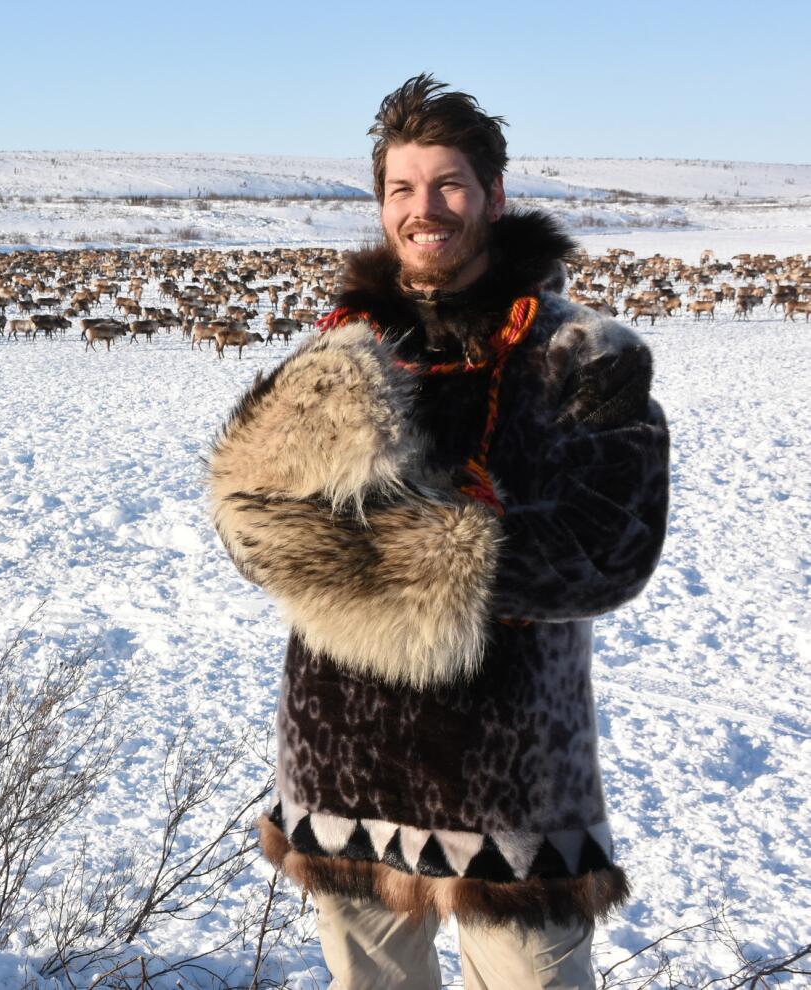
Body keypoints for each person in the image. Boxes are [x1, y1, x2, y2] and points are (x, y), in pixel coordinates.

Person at [207, 74, 670, 988]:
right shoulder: (334, 356)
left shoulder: (586, 358)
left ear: (493, 196)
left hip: (513, 786)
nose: (427, 210)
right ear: (381, 204)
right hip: (345, 771)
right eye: (402, 188)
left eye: (450, 184)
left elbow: (606, 553)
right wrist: (450, 562)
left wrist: (367, 562)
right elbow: (249, 523)